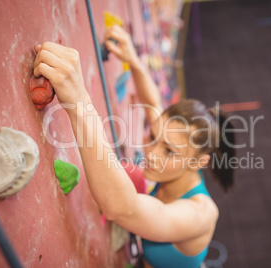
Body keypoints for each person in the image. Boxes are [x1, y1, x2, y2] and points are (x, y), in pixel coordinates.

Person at [33, 25, 236, 268]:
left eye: (169, 151)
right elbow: (152, 102)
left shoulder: (201, 214)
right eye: (152, 136)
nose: (151, 152)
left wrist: (78, 101)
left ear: (199, 162)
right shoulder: (179, 158)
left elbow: (123, 210)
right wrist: (133, 60)